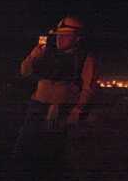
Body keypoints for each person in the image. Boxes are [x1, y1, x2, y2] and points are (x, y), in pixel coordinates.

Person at [12, 15, 97, 166]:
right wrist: (33, 56)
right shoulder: (45, 53)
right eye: (59, 35)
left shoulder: (85, 57)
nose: (60, 39)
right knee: (25, 146)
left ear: (76, 38)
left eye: (65, 36)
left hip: (63, 109)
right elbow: (24, 72)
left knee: (53, 150)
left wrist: (78, 110)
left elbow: (87, 87)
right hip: (37, 106)